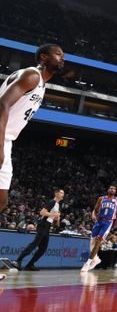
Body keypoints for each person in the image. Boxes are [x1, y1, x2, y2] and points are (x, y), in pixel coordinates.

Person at [0, 44, 64, 213]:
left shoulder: (41, 83)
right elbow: (2, 105)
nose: (62, 59)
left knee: (2, 200)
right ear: (44, 57)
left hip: (7, 139)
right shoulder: (32, 76)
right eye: (58, 54)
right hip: (0, 137)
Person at [15, 188, 64, 271]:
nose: (63, 194)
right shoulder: (52, 202)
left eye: (63, 193)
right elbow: (42, 212)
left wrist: (57, 218)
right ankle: (18, 261)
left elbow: (52, 216)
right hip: (43, 224)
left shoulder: (58, 204)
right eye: (61, 193)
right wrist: (54, 214)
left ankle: (30, 265)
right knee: (34, 244)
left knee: (43, 248)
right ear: (56, 194)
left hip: (47, 226)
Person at [81, 185, 117, 272]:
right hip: (99, 221)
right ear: (108, 189)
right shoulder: (101, 198)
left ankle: (88, 263)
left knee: (98, 240)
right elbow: (95, 209)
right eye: (111, 188)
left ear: (115, 191)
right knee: (92, 242)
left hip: (108, 222)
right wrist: (93, 214)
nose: (112, 190)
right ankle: (96, 259)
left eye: (114, 189)